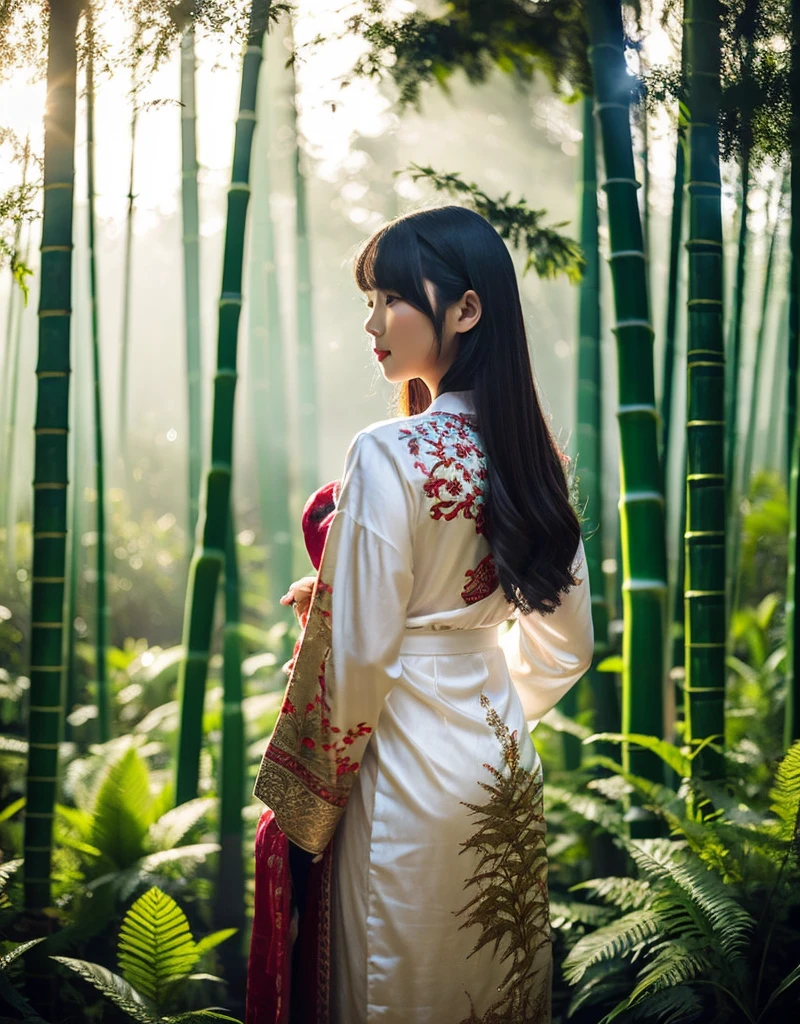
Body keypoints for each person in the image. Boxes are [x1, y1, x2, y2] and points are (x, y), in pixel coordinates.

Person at [248, 205, 594, 1024]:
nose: (373, 322)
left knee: (390, 991)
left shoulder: (387, 450)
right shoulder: (532, 460)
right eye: (369, 300)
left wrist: (348, 640)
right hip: (499, 766)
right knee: (492, 986)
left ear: (467, 310)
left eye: (393, 298)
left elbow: (363, 656)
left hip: (397, 771)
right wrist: (481, 699)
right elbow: (565, 649)